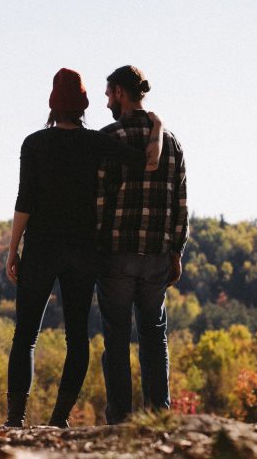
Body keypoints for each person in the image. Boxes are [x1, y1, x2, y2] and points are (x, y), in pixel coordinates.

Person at [4, 68, 163, 428]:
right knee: (77, 338)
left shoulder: (33, 144)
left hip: (41, 248)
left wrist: (13, 249)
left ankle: (15, 420)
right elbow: (148, 161)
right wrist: (157, 125)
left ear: (52, 105)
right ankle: (59, 419)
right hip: (83, 251)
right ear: (83, 106)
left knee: (25, 335)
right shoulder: (96, 142)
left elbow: (25, 201)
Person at [95, 65, 188, 424]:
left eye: (108, 94)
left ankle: (120, 418)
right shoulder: (171, 142)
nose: (107, 102)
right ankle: (157, 415)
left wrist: (95, 247)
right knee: (154, 336)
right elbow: (180, 202)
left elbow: (99, 201)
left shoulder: (109, 138)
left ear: (120, 92)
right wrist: (176, 251)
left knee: (116, 337)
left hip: (116, 254)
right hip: (155, 255)